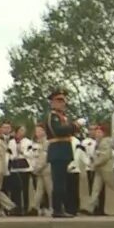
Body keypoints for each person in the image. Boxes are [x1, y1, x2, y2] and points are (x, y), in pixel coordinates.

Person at [44, 89, 82, 217]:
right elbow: (58, 131)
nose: (62, 103)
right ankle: (57, 209)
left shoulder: (63, 116)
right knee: (58, 182)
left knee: (63, 182)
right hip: (57, 150)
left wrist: (73, 127)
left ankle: (61, 208)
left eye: (63, 100)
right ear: (52, 102)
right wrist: (75, 126)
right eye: (59, 100)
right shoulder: (53, 116)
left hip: (64, 150)